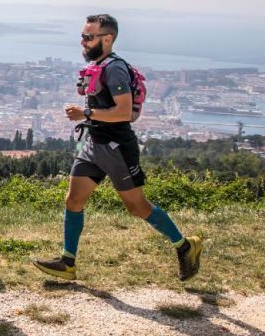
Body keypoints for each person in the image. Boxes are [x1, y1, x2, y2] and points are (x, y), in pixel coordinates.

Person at [32, 14, 202, 282]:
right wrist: (86, 116)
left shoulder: (115, 69)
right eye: (83, 36)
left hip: (116, 148)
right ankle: (67, 262)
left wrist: (85, 113)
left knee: (137, 207)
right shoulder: (99, 66)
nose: (83, 42)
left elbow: (123, 113)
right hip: (93, 143)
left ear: (107, 38)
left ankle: (185, 245)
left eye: (89, 37)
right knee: (74, 199)